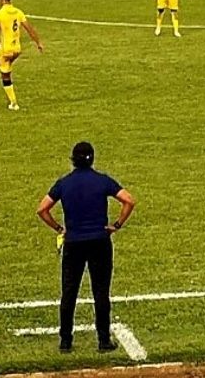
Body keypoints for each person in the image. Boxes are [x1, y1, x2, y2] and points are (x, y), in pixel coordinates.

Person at [37, 142, 136, 354]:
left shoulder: (65, 183)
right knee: (101, 291)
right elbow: (128, 201)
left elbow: (42, 209)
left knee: (69, 291)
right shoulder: (102, 181)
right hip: (100, 241)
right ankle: (103, 340)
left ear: (73, 159)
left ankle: (65, 341)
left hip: (74, 242)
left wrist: (59, 228)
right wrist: (116, 225)